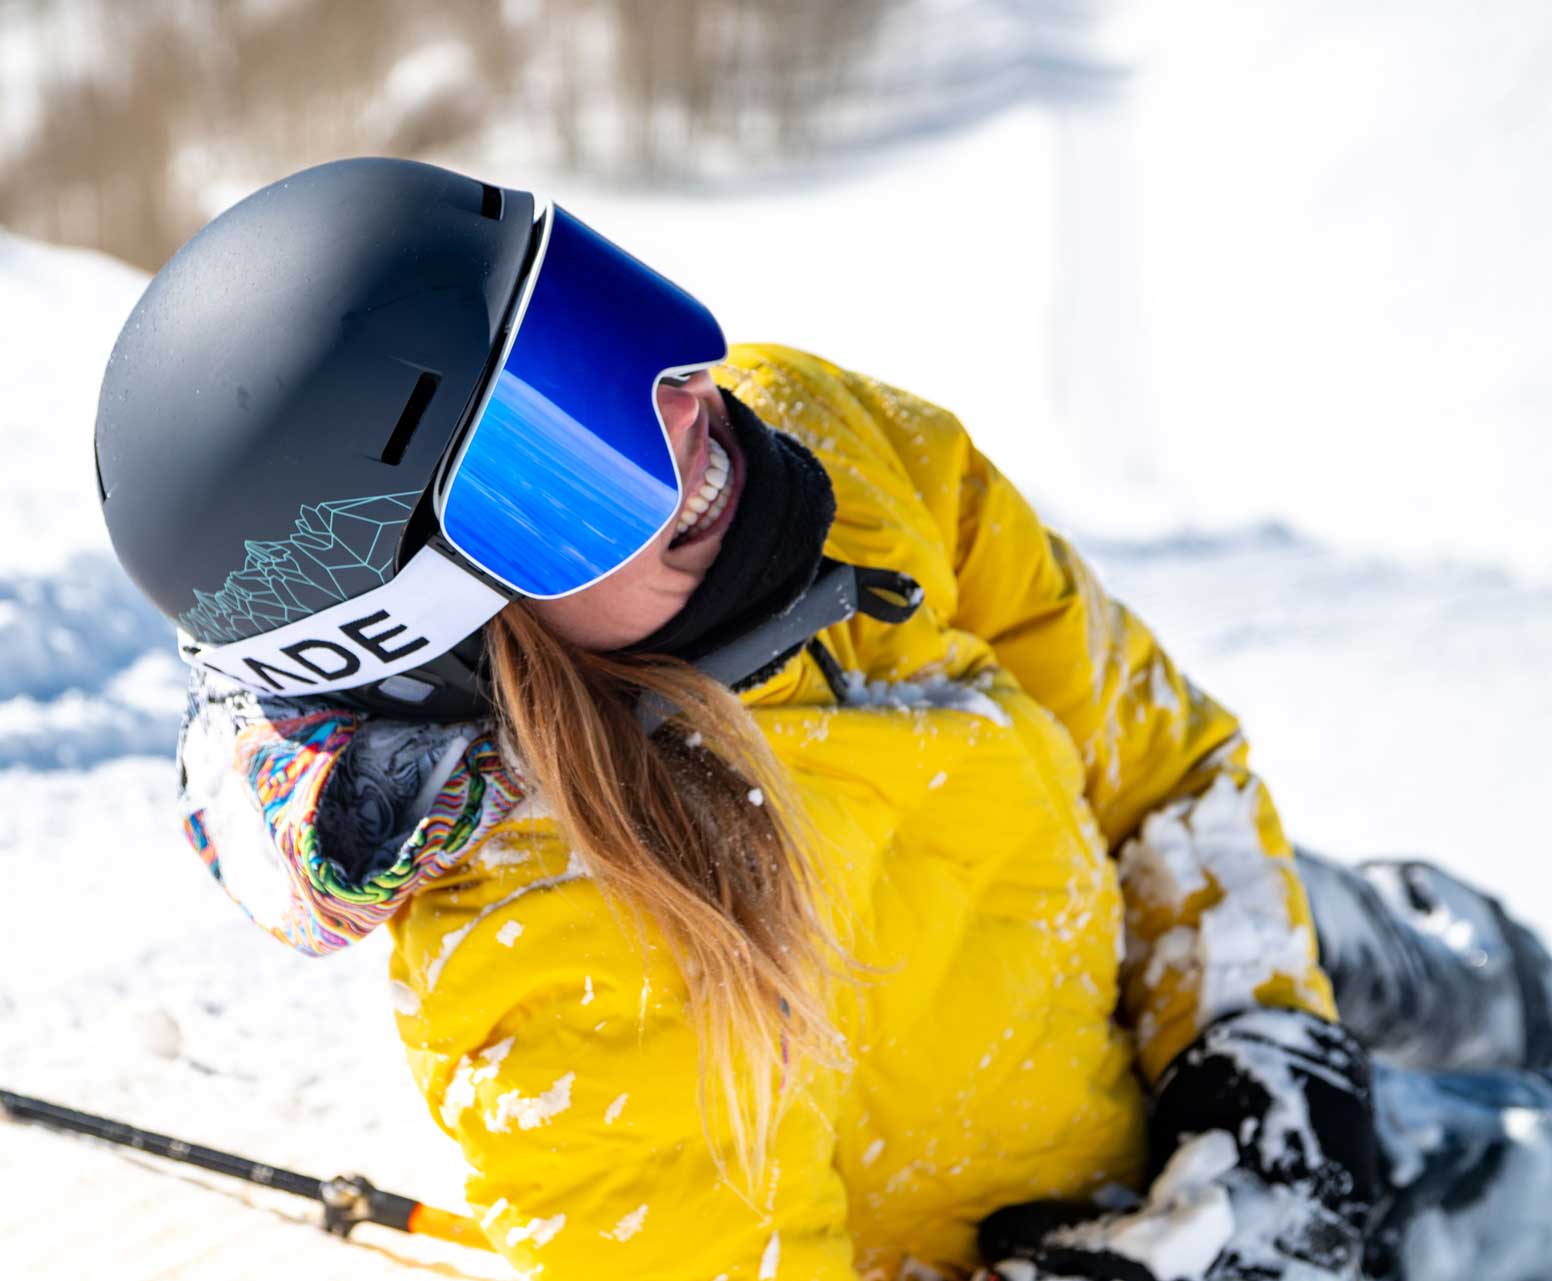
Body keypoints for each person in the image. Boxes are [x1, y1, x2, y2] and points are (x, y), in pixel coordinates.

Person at [93, 158, 1552, 1281]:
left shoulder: (840, 445)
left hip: (1212, 964)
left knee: (1425, 956)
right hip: (1128, 1208)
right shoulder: (552, 957)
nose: (680, 412)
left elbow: (1162, 763)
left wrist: (1258, 1045)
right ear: (451, 641)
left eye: (610, 325)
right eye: (566, 462)